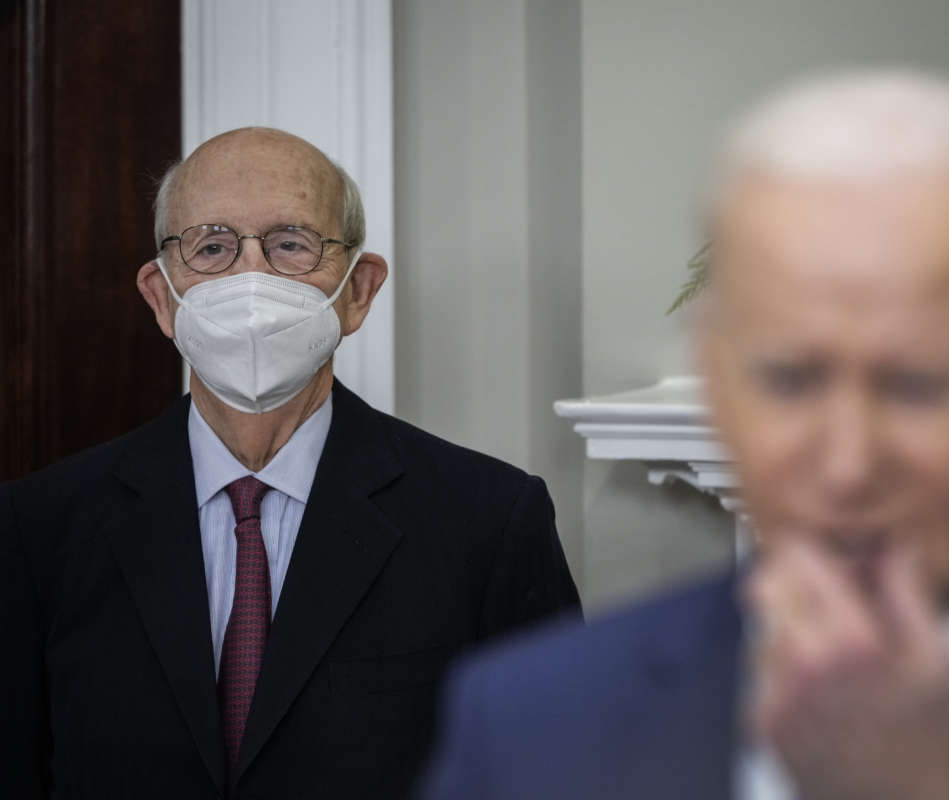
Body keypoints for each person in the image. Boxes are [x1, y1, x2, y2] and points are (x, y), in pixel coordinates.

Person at [420, 71, 949, 800]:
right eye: (789, 379)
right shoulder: (530, 721)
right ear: (718, 383)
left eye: (921, 383)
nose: (850, 463)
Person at [0, 127, 580, 799]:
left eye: (291, 244)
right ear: (162, 298)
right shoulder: (37, 527)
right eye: (211, 247)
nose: (251, 279)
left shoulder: (490, 523)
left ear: (358, 291)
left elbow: (553, 774)